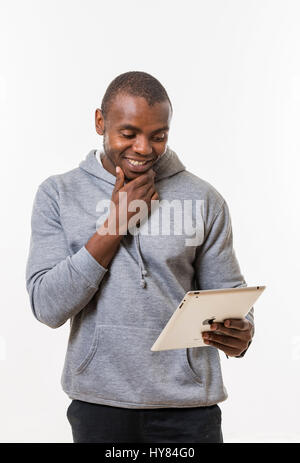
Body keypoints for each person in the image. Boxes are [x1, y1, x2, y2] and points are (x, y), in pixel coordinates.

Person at [25, 71, 254, 443]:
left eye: (158, 136)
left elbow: (228, 294)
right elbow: (47, 306)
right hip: (99, 403)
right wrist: (115, 225)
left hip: (189, 407)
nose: (144, 148)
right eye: (128, 134)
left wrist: (241, 331)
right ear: (100, 122)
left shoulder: (204, 198)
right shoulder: (58, 194)